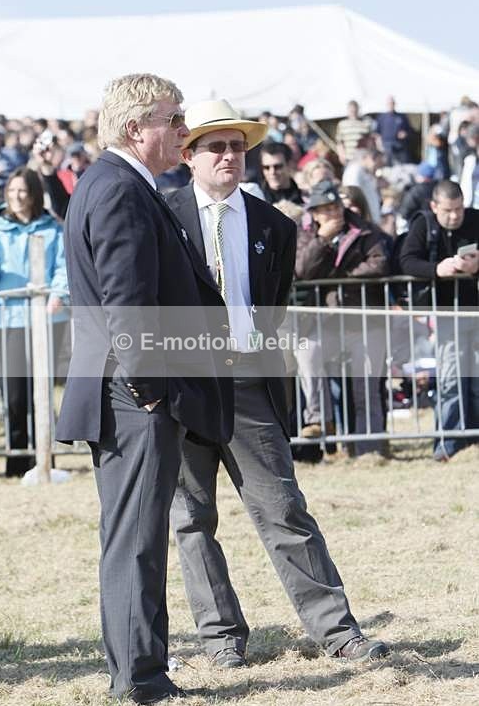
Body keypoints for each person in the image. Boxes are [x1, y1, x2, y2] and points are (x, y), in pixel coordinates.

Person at [168, 99, 389, 670]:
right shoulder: (161, 217)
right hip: (184, 385)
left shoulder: (274, 226)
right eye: (216, 146)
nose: (229, 156)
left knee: (284, 509)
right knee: (191, 518)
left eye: (238, 146)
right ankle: (219, 637)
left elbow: (273, 309)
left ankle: (338, 632)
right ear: (189, 156)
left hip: (247, 383)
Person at [55, 74, 233, 706]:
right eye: (175, 118)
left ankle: (140, 670)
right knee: (136, 540)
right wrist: (152, 392)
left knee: (138, 536)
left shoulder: (122, 185)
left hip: (130, 393)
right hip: (133, 396)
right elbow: (127, 305)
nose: (185, 129)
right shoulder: (119, 190)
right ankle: (141, 680)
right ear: (138, 127)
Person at [0, 167, 68, 477]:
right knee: (15, 392)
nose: (16, 197)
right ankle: (16, 462)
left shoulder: (53, 229)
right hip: (10, 320)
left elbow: (63, 267)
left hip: (48, 319)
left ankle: (45, 459)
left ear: (33, 194)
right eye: (11, 191)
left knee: (42, 390)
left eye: (22, 191)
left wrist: (58, 295)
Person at [295, 181, 389, 453]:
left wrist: (340, 278)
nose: (333, 213)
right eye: (324, 209)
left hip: (365, 320)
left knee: (365, 390)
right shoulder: (305, 234)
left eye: (335, 206)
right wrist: (322, 240)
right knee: (306, 351)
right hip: (326, 322)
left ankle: (369, 449)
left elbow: (379, 264)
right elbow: (302, 270)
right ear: (313, 213)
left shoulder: (365, 230)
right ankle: (318, 419)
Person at [399, 181, 479, 461]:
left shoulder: (475, 218)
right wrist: (437, 269)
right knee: (450, 380)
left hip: (475, 310)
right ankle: (448, 442)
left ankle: (474, 440)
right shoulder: (424, 225)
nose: (455, 216)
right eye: (448, 210)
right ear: (434, 207)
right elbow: (406, 260)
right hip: (447, 315)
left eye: (459, 208)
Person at [375, 96, 411, 165]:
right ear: (386, 104)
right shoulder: (381, 117)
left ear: (394, 104)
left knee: (402, 166)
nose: (390, 105)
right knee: (387, 166)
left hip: (400, 147)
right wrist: (379, 146)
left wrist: (405, 134)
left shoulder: (402, 117)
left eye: (392, 103)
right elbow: (377, 133)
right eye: (389, 103)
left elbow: (410, 131)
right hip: (386, 147)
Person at [335, 100, 372, 165]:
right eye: (351, 110)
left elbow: (370, 141)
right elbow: (339, 142)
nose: (353, 111)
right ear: (348, 110)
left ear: (358, 110)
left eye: (355, 109)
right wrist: (341, 155)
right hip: (348, 158)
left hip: (362, 157)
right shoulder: (342, 124)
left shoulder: (366, 123)